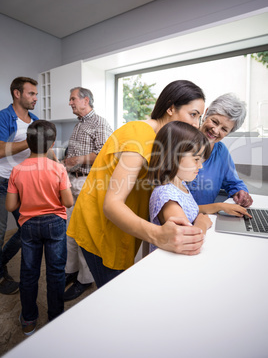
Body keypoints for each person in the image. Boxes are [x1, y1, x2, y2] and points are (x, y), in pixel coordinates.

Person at [67, 80, 207, 289]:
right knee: (113, 295)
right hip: (99, 226)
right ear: (170, 108)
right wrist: (158, 235)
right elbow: (112, 204)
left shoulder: (163, 140)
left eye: (200, 117)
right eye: (193, 114)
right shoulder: (140, 137)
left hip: (122, 226)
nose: (196, 124)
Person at [5, 120, 73, 336]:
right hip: (55, 223)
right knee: (55, 272)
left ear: (27, 142)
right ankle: (56, 317)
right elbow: (68, 202)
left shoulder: (17, 170)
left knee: (29, 272)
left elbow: (10, 206)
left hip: (29, 226)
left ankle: (28, 320)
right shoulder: (58, 168)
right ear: (52, 143)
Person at [148, 121, 251, 252]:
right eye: (196, 159)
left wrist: (220, 206)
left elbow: (189, 209)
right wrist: (202, 223)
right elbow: (188, 240)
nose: (200, 166)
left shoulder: (179, 185)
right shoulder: (168, 197)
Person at [63, 86, 113, 301]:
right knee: (71, 232)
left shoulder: (99, 122)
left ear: (85, 100)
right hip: (74, 182)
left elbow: (105, 153)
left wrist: (78, 160)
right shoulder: (80, 123)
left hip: (88, 183)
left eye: (73, 99)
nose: (70, 102)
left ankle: (85, 279)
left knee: (84, 234)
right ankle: (71, 271)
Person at [0, 76, 38, 295]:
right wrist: (32, 139)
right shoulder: (4, 117)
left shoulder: (35, 120)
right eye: (31, 93)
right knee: (0, 231)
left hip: (23, 184)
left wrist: (57, 164)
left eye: (35, 94)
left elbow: (42, 148)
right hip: (2, 182)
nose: (35, 98)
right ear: (17, 93)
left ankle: (1, 262)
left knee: (27, 229)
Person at [188, 93, 253, 207]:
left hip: (206, 221)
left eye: (224, 129)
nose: (216, 131)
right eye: (214, 121)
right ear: (206, 114)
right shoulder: (181, 139)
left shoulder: (221, 152)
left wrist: (240, 192)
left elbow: (234, 183)